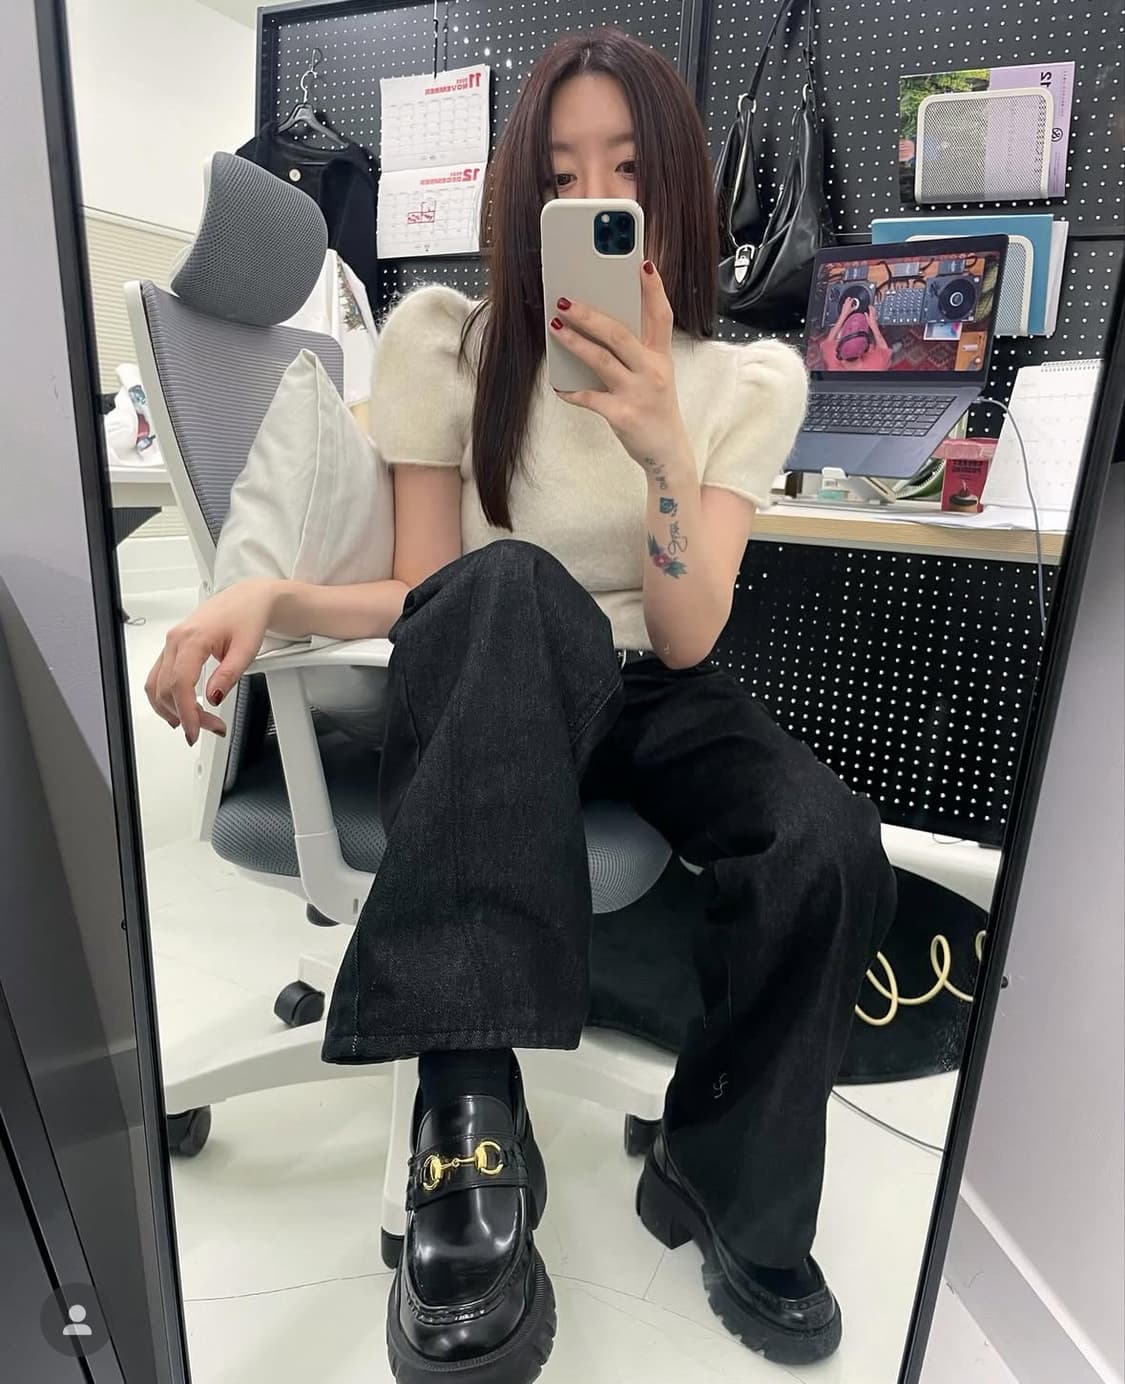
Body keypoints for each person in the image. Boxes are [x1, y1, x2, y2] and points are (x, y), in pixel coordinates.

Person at [146, 28, 896, 1383]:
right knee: (503, 583)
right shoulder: (447, 342)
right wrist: (278, 595)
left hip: (655, 684)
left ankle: (723, 1176)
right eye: (559, 176)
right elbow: (422, 593)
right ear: (520, 198)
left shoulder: (747, 382)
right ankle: (468, 1116)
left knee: (825, 842)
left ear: (676, 188)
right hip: (495, 670)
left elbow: (688, 631)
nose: (592, 199)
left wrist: (660, 443)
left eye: (626, 170)